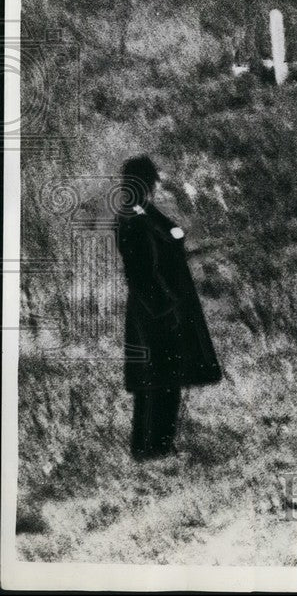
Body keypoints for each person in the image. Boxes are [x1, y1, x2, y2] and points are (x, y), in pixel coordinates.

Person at [116, 155, 222, 460]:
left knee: (162, 380)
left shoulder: (143, 212)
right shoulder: (132, 217)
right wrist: (165, 309)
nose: (150, 187)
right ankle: (152, 449)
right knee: (157, 382)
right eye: (148, 182)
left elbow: (176, 234)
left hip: (156, 308)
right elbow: (140, 273)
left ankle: (155, 448)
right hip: (154, 310)